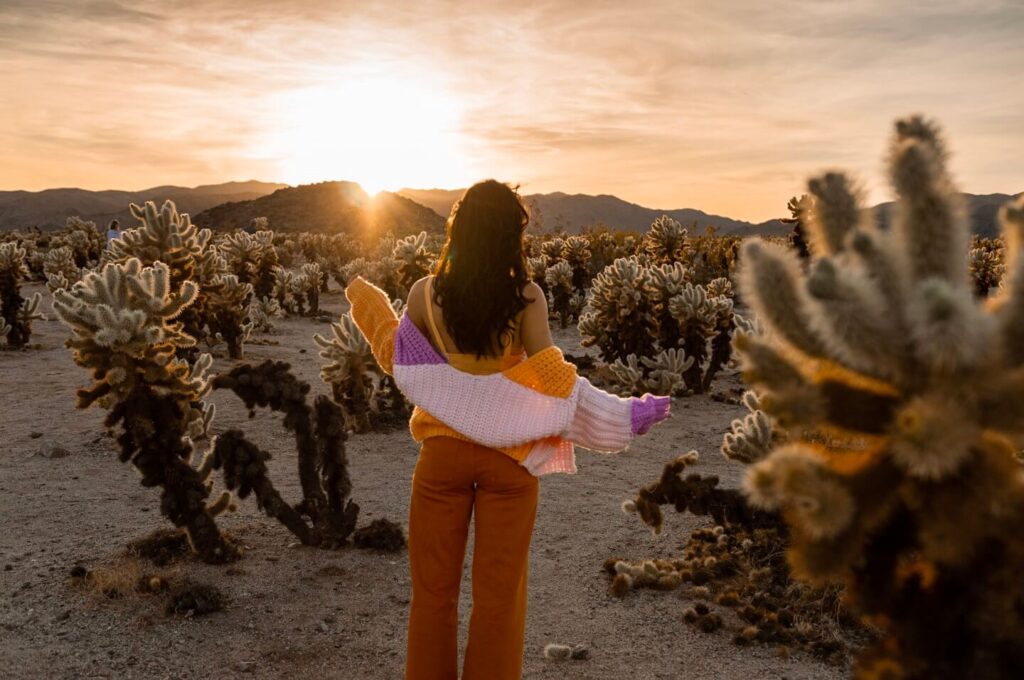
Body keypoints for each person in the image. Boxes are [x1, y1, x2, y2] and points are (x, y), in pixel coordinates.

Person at [345, 180, 670, 680]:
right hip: (510, 463)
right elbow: (555, 380)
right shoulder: (526, 298)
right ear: (508, 235)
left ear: (460, 229)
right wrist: (622, 413)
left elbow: (398, 357)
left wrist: (371, 310)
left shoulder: (424, 293)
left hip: (441, 460)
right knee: (499, 600)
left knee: (432, 594)